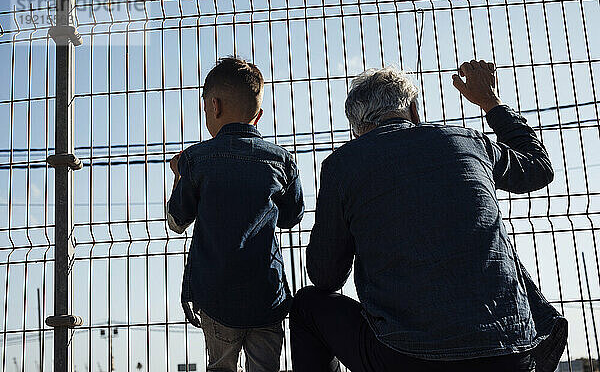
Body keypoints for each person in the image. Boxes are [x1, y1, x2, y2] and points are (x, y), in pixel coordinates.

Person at [290, 60, 567, 372]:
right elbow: (538, 168)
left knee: (307, 305)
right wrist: (491, 102)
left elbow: (325, 276)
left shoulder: (342, 165)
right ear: (414, 111)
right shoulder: (469, 142)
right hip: (508, 352)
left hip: (405, 357)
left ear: (356, 130)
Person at [166, 57, 304, 372]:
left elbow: (176, 222)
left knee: (220, 367)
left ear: (214, 106)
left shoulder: (197, 161)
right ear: (258, 116)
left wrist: (178, 174)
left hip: (216, 297)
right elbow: (291, 217)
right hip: (266, 297)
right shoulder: (281, 162)